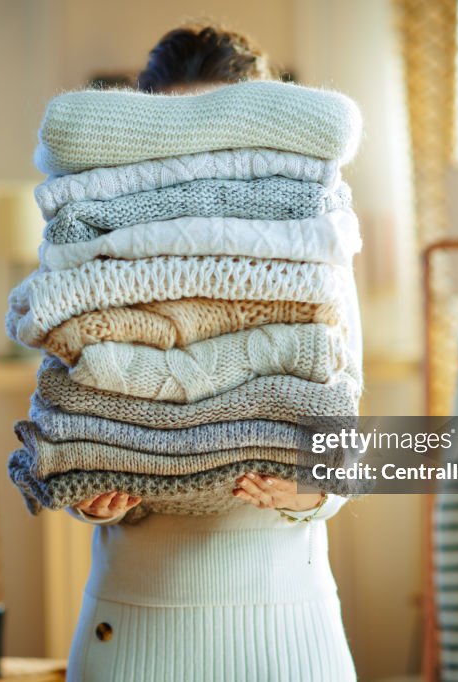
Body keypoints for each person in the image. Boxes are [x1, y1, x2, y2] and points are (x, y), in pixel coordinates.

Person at [64, 24, 360, 681]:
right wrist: (87, 488)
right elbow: (70, 410)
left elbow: (348, 437)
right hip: (135, 628)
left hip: (287, 629)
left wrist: (310, 490)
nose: (196, 167)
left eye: (217, 140)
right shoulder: (104, 251)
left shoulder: (307, 252)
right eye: (177, 139)